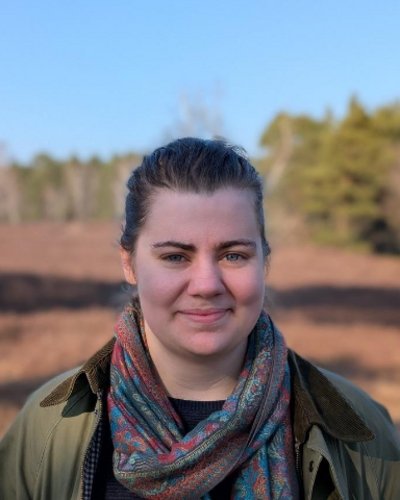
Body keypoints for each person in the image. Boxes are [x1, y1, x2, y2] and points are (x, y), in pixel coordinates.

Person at [0, 137, 399, 499]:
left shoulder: (361, 433)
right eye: (175, 256)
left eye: (233, 255)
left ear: (264, 262)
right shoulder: (48, 430)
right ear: (129, 264)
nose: (207, 285)